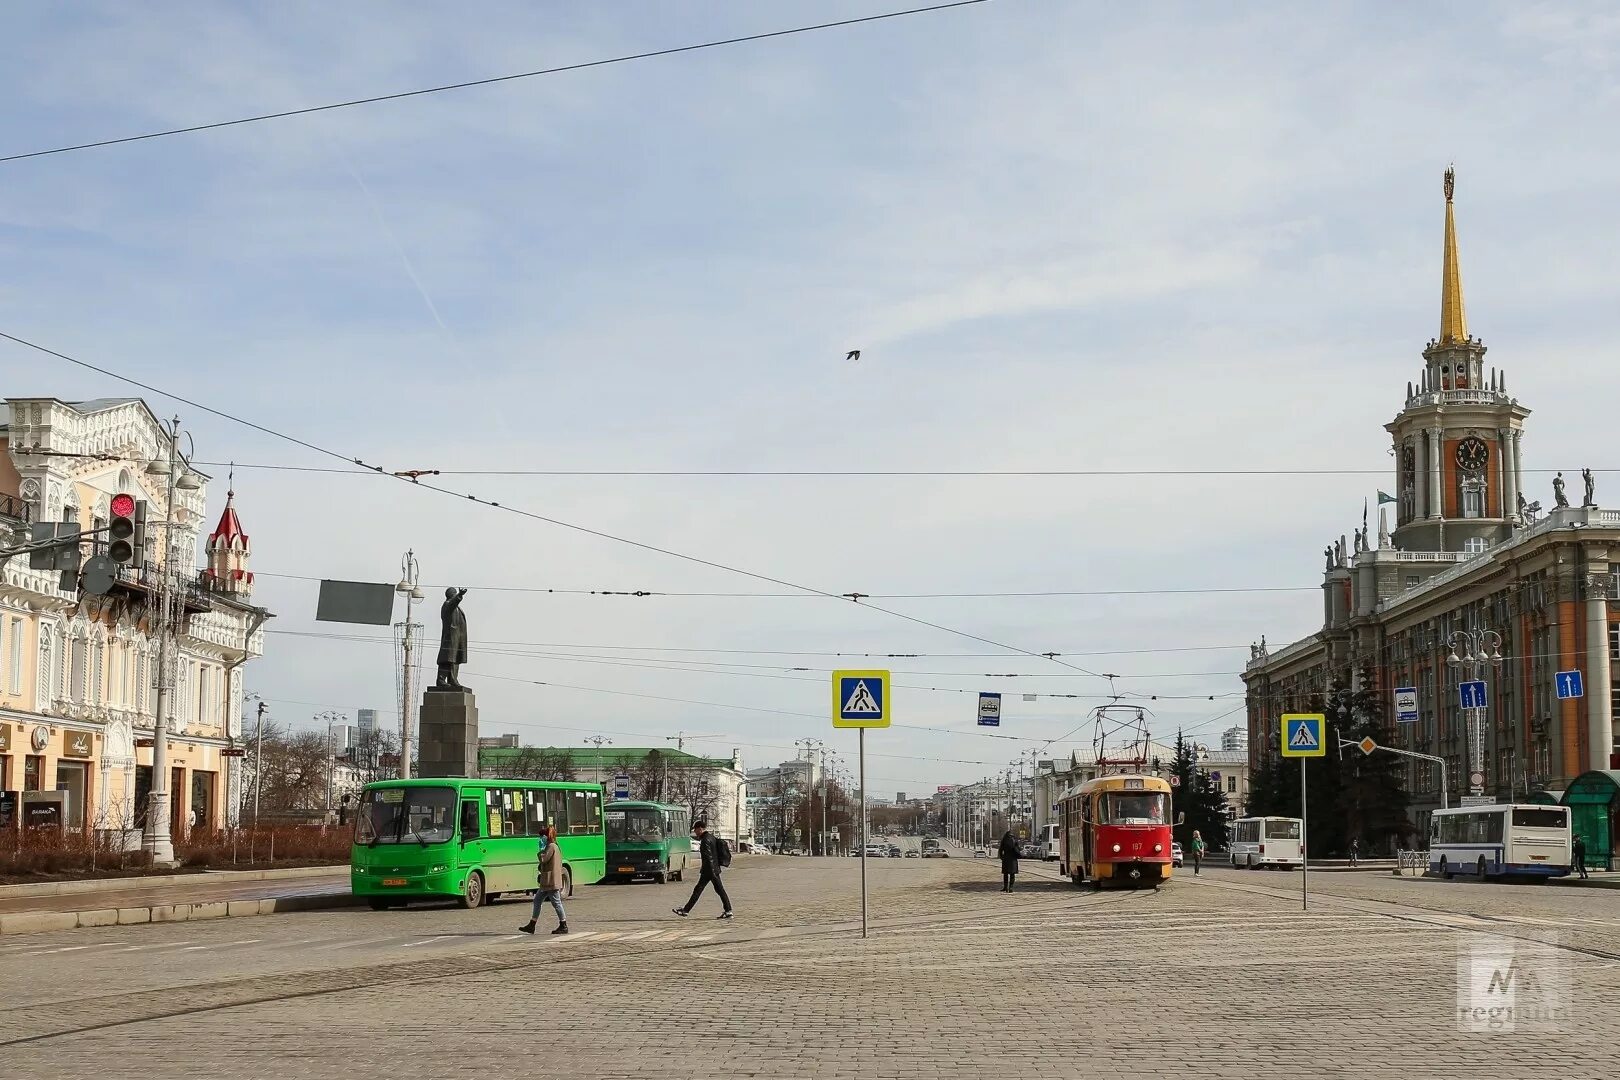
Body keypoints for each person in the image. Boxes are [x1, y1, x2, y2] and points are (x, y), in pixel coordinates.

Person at [674, 819, 734, 919]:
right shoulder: (711, 837)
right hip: (713, 869)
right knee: (717, 890)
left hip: (709, 871)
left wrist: (711, 872)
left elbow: (708, 857)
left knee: (700, 890)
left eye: (696, 830)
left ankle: (686, 910)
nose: (695, 832)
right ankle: (728, 911)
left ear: (700, 829)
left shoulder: (705, 840)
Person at [519, 825, 568, 935]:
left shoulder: (551, 846)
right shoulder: (553, 845)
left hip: (551, 881)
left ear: (546, 836)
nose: (541, 839)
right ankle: (532, 924)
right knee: (537, 900)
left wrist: (541, 850)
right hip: (547, 881)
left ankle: (563, 925)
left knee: (556, 902)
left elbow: (543, 859)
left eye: (542, 837)